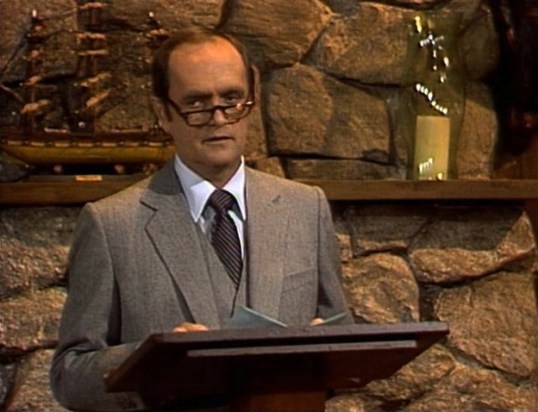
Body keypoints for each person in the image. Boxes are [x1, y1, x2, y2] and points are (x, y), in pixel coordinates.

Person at [50, 26, 352, 411]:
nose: (218, 118)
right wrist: (150, 363)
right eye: (196, 103)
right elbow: (70, 375)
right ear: (163, 113)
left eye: (232, 99)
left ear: (251, 103)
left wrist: (323, 352)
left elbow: (342, 337)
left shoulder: (306, 207)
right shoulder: (111, 224)